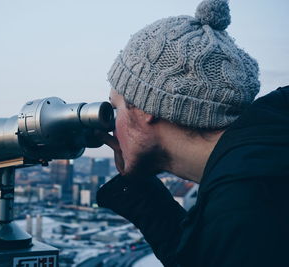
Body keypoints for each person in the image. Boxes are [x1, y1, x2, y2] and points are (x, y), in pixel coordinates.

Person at [96, 0, 289, 266]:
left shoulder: (245, 210)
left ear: (145, 108)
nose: (112, 125)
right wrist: (140, 187)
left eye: (116, 108)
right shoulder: (254, 175)